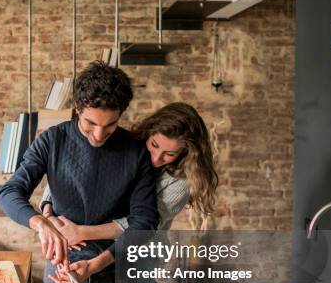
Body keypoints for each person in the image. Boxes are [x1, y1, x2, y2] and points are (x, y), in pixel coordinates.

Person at [0, 61, 159, 283]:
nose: (99, 134)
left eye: (110, 124)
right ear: (77, 108)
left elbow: (145, 222)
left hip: (121, 256)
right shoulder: (52, 140)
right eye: (90, 123)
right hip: (67, 259)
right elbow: (9, 192)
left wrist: (95, 265)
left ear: (121, 114)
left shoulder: (135, 151)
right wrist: (42, 224)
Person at [41, 102, 218, 257]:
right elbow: (68, 172)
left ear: (186, 153)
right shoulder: (127, 146)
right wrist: (48, 213)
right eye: (154, 145)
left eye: (169, 154)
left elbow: (144, 222)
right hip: (90, 245)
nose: (155, 158)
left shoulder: (181, 183)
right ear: (149, 132)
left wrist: (80, 232)